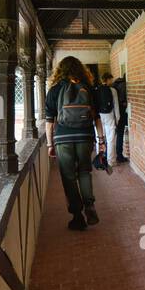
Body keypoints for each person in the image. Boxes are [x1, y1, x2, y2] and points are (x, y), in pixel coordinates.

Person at [45, 56, 106, 230]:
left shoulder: (55, 90)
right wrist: (101, 140)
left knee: (69, 177)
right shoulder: (88, 88)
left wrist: (50, 145)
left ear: (60, 71)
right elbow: (97, 118)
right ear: (81, 69)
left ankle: (77, 216)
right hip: (85, 137)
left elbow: (49, 121)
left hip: (63, 139)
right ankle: (90, 206)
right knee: (85, 172)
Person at [97, 73, 119, 169]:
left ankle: (100, 160)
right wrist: (117, 118)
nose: (112, 81)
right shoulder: (113, 90)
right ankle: (111, 161)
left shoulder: (97, 90)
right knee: (110, 139)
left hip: (99, 116)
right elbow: (116, 106)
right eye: (111, 79)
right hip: (109, 115)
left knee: (100, 138)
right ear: (108, 79)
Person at [112, 75, 129, 163]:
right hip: (121, 113)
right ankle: (119, 156)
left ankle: (117, 155)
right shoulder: (124, 85)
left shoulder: (115, 84)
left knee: (116, 135)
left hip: (113, 114)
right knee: (120, 134)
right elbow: (123, 101)